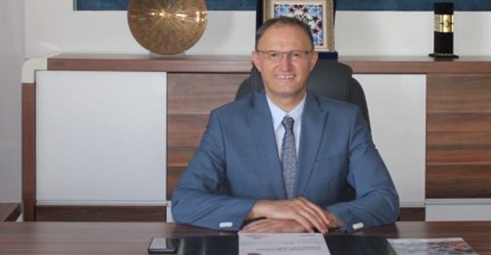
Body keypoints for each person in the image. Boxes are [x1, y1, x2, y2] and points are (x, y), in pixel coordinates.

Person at [171, 16, 399, 233]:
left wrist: (315, 219)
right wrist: (264, 208)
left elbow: (385, 200)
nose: (285, 66)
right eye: (273, 54)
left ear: (312, 60)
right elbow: (185, 202)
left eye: (296, 54)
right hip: (253, 241)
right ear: (257, 61)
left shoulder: (345, 120)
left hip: (324, 242)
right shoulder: (226, 122)